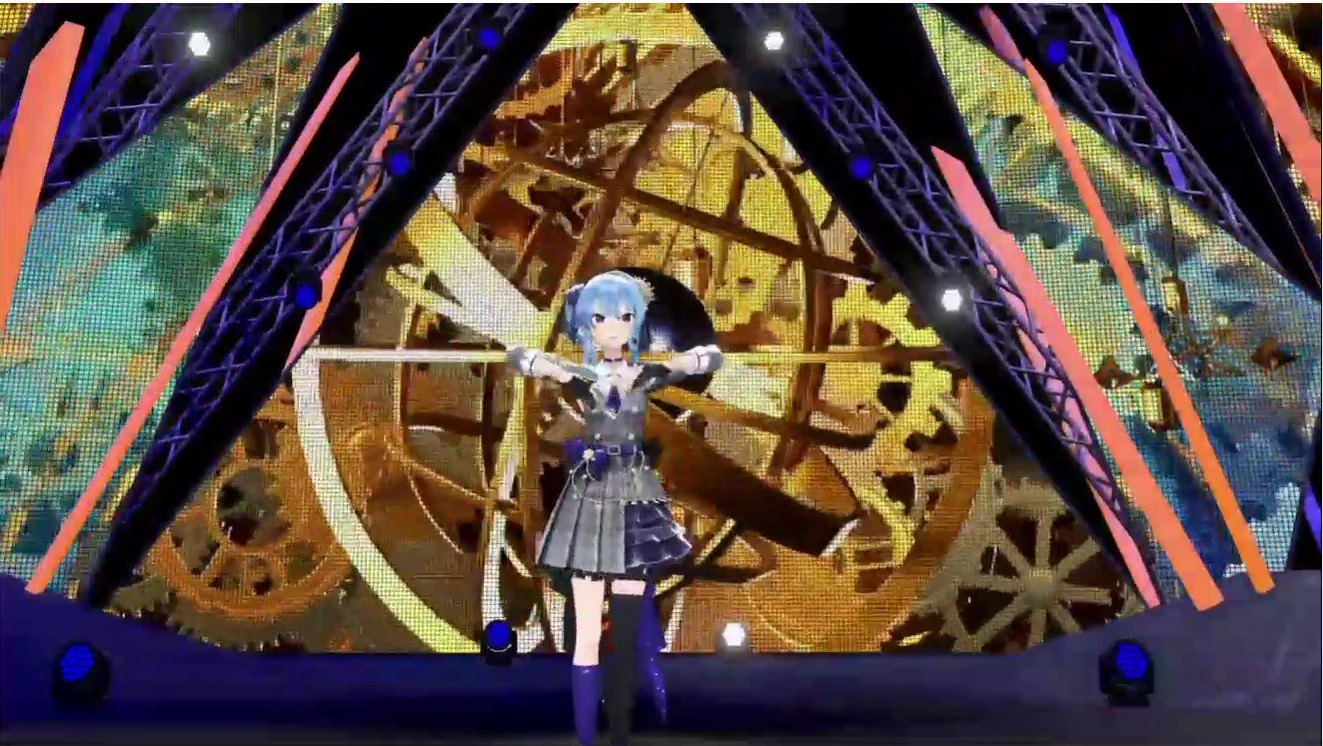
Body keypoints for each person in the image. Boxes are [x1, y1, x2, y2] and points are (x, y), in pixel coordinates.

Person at [506, 270, 721, 745]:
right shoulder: (584, 377)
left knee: (626, 634)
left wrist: (700, 357)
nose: (613, 328)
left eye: (624, 317)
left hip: (632, 500)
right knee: (586, 634)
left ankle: (619, 733)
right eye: (601, 318)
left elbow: (700, 361)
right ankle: (587, 736)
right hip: (591, 500)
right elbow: (525, 361)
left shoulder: (643, 375)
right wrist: (533, 360)